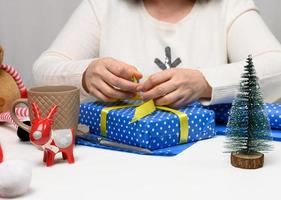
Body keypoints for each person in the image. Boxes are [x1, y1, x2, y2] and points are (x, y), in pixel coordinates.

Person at [33, 0, 281, 108]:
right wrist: (86, 75)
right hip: (114, 165)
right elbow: (43, 71)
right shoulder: (103, 5)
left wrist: (205, 82)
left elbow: (276, 67)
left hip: (203, 168)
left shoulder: (228, 5)